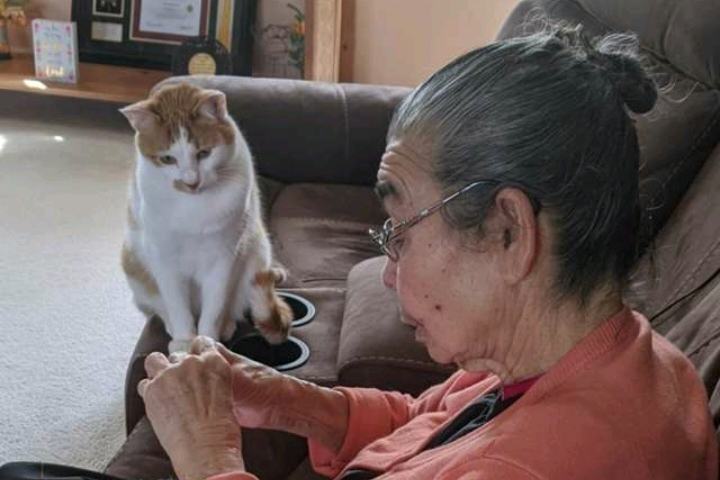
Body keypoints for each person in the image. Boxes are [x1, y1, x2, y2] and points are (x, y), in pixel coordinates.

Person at [136, 27, 719, 480]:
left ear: (508, 231)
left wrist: (207, 455)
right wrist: (288, 401)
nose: (388, 275)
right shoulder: (600, 353)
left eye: (401, 231)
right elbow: (425, 427)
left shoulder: (534, 465)